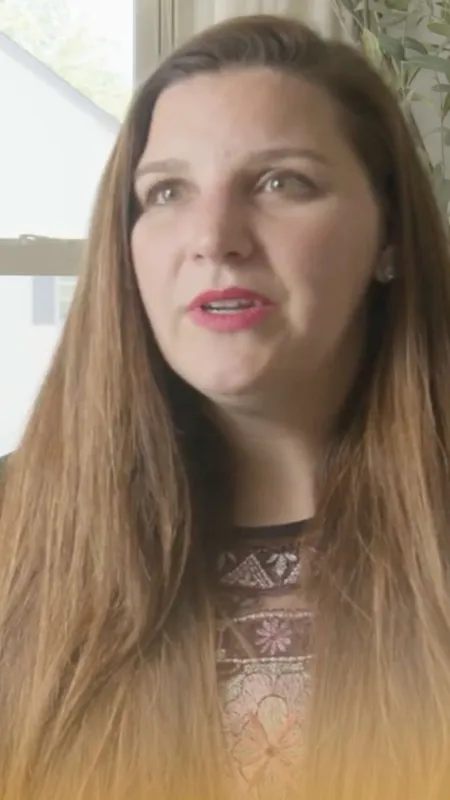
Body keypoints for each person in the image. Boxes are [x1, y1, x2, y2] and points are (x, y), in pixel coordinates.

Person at [1, 12, 450, 800]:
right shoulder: (14, 537)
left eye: (282, 182)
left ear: (389, 237)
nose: (214, 238)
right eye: (166, 191)